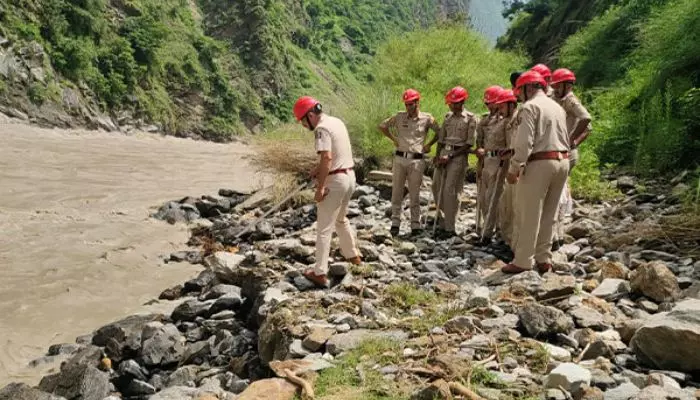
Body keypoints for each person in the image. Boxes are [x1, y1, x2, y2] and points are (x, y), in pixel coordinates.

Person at [502, 71, 570, 274]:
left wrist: (514, 168)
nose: (519, 96)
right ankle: (544, 258)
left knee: (529, 213)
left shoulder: (529, 107)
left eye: (520, 91)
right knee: (549, 214)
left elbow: (524, 143)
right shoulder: (557, 106)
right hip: (562, 161)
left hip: (540, 163)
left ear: (528, 87)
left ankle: (523, 260)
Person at [293, 96, 362, 288]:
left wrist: (320, 187)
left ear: (310, 116)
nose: (304, 126)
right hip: (350, 177)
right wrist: (317, 170)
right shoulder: (336, 121)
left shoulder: (321, 129)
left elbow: (327, 158)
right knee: (341, 219)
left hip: (336, 181)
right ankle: (353, 256)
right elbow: (336, 154)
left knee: (324, 228)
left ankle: (319, 272)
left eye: (303, 121)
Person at [379, 89, 440, 237]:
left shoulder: (427, 118)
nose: (408, 108)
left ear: (417, 103)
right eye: (406, 104)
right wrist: (393, 139)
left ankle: (415, 223)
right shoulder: (399, 117)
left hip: (416, 160)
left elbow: (440, 131)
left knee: (415, 193)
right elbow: (382, 126)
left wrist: (430, 144)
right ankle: (395, 222)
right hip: (400, 158)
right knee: (397, 191)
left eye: (411, 104)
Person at [550, 68, 592, 249]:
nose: (555, 88)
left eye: (558, 85)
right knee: (559, 193)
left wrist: (570, 139)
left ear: (566, 85)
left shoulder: (570, 101)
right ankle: (556, 234)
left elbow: (586, 120)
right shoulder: (558, 99)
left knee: (556, 193)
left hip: (565, 152)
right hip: (561, 150)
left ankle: (555, 235)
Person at [431, 86, 477, 239]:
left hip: (458, 156)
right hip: (444, 153)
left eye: (454, 102)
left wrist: (450, 157)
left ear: (461, 102)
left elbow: (469, 143)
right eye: (450, 103)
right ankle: (443, 218)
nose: (451, 105)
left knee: (450, 190)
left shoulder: (470, 118)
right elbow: (441, 139)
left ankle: (450, 228)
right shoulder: (447, 117)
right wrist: (437, 156)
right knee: (436, 186)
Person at [474, 85, 505, 245]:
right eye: (487, 104)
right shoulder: (484, 120)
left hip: (499, 162)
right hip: (486, 161)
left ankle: (498, 233)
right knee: (484, 199)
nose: (489, 107)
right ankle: (488, 228)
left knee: (495, 198)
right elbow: (479, 141)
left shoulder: (507, 120)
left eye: (491, 103)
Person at [494, 88, 520, 250]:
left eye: (502, 106)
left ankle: (514, 244)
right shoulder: (510, 120)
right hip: (510, 162)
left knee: (514, 206)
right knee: (506, 204)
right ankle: (507, 239)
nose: (500, 110)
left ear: (511, 105)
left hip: (517, 166)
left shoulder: (519, 118)